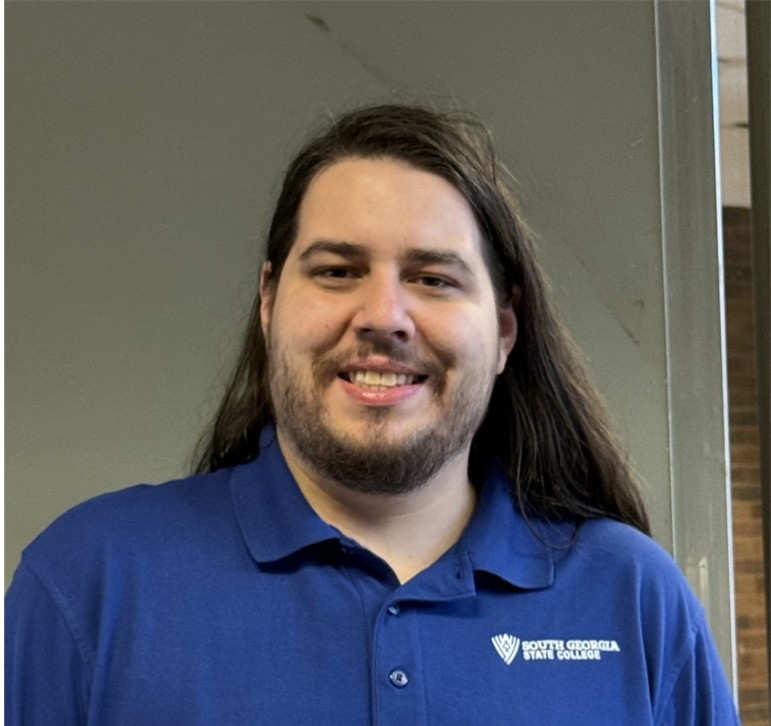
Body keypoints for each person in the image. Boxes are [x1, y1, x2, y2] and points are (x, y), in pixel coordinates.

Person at [5, 104, 738, 724]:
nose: (383, 316)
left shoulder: (631, 598)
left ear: (504, 330)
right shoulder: (90, 583)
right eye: (337, 271)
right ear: (269, 303)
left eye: (433, 279)